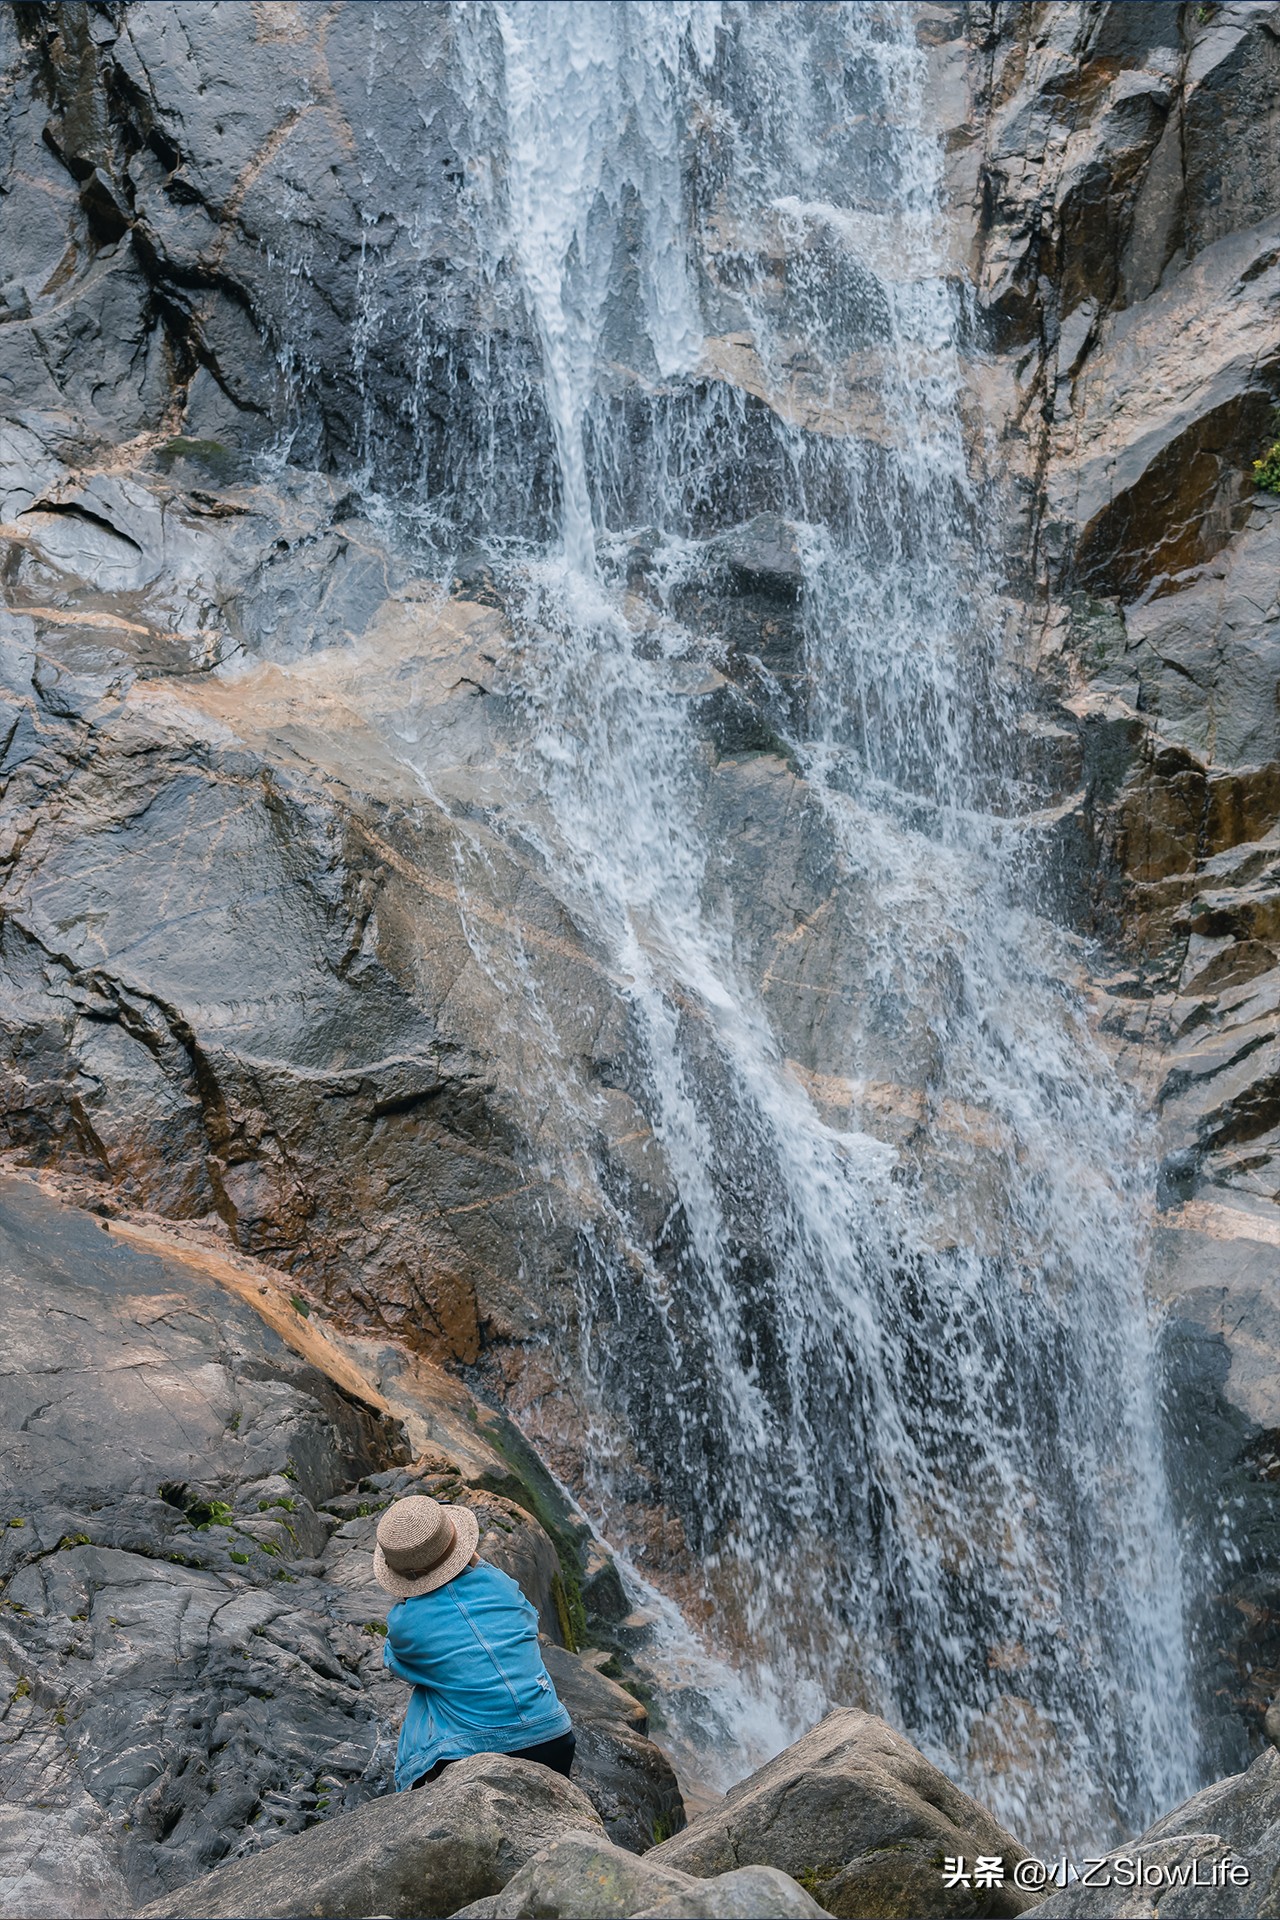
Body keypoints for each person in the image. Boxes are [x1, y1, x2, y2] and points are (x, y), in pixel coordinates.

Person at [373, 1492, 576, 1792]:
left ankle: (415, 1785)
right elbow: (529, 1619)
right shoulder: (501, 1585)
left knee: (428, 1692)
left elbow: (395, 1661)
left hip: (489, 1752)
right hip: (556, 1737)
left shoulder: (406, 1623)